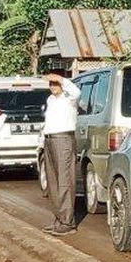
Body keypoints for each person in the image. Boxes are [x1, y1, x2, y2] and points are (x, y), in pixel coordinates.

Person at [41, 73, 81, 236]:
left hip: (63, 138)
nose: (52, 86)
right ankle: (59, 217)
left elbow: (76, 91)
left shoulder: (69, 97)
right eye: (50, 83)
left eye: (55, 83)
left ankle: (67, 221)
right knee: (53, 181)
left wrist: (62, 79)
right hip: (49, 139)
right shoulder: (50, 100)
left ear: (62, 84)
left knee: (65, 180)